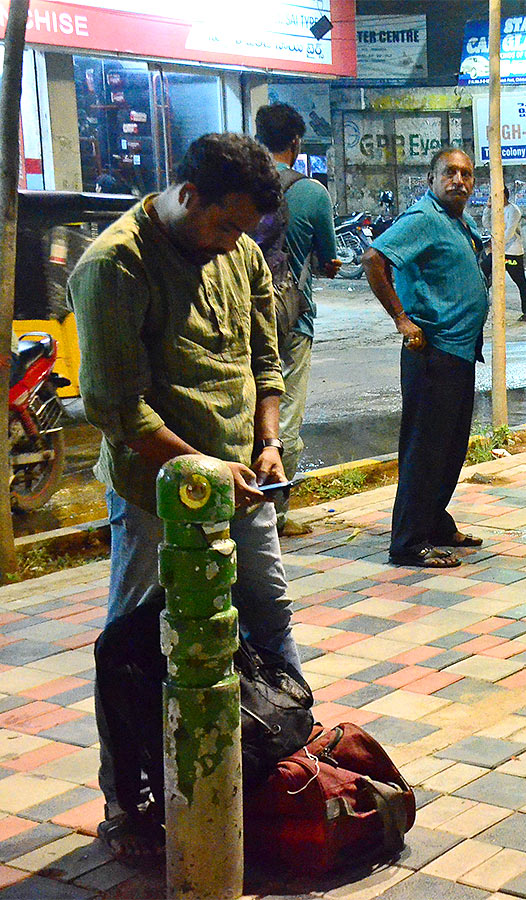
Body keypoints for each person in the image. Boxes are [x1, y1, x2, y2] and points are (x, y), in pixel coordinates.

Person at [67, 133, 301, 859]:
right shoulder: (115, 266)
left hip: (241, 481)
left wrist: (265, 443)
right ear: (188, 195)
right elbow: (117, 408)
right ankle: (128, 801)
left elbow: (266, 360)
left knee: (269, 615)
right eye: (225, 225)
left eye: (245, 231)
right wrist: (201, 467)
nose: (232, 241)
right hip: (154, 496)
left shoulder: (240, 252)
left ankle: (284, 756)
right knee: (133, 643)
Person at [363, 148, 488, 569]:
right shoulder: (422, 219)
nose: (459, 181)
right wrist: (402, 319)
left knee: (449, 447)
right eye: (450, 173)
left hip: (459, 351)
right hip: (431, 352)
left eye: (467, 174)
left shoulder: (459, 220)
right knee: (425, 448)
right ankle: (408, 542)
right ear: (431, 179)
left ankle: (434, 520)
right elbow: (373, 258)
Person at [254, 102, 340, 534]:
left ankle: (239, 510)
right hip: (291, 317)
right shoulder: (311, 193)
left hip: (238, 314)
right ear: (295, 142)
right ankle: (275, 517)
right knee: (285, 415)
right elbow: (327, 258)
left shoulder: (241, 186)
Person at [485, 186, 526, 321]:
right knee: (484, 277)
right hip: (498, 250)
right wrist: (487, 208)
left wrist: (497, 245)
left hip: (512, 252)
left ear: (504, 196)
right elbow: (487, 224)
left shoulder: (514, 210)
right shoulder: (496, 209)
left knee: (520, 282)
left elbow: (510, 231)